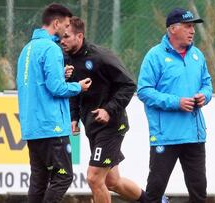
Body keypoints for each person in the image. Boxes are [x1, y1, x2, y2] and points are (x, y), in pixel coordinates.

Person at [60, 16, 149, 203]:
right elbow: (75, 90)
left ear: (80, 36)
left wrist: (108, 110)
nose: (62, 40)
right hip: (93, 127)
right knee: (112, 181)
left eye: (66, 36)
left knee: (93, 177)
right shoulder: (66, 60)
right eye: (61, 36)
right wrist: (74, 117)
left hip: (112, 125)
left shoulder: (100, 56)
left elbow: (128, 84)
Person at [16, 4, 91, 203]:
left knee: (39, 182)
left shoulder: (27, 49)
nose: (67, 30)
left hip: (32, 127)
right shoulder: (51, 48)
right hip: (51, 126)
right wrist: (78, 87)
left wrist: (60, 75)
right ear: (56, 23)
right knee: (64, 176)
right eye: (66, 25)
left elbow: (39, 82)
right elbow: (56, 88)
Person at [137, 8, 213, 203]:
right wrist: (176, 102)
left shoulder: (197, 55)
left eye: (193, 26)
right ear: (172, 29)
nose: (192, 31)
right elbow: (144, 91)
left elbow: (207, 84)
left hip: (194, 136)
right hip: (166, 136)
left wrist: (204, 96)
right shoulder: (154, 56)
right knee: (154, 192)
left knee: (199, 193)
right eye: (188, 26)